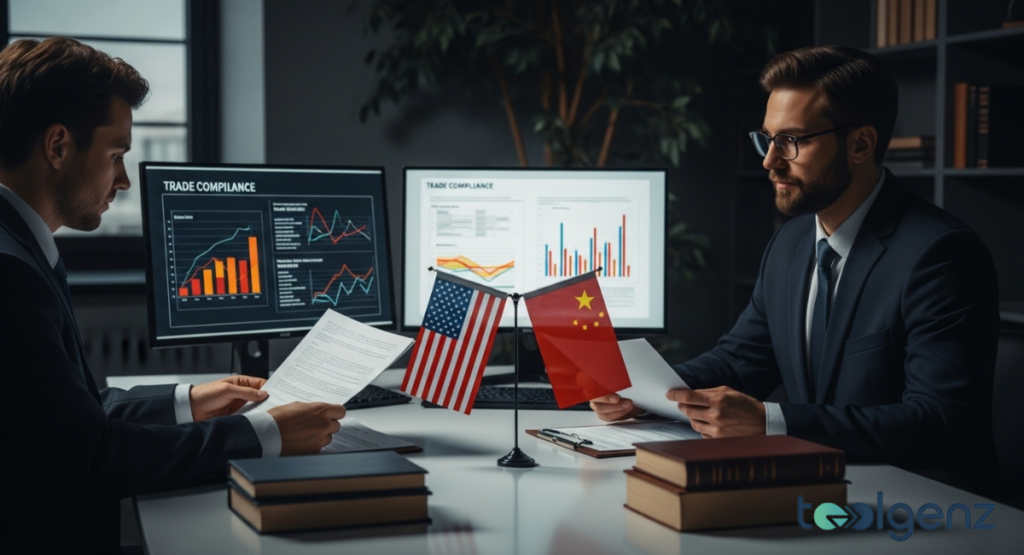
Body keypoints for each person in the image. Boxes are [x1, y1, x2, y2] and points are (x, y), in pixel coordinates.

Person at [591, 45, 1001, 491]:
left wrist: (770, 421)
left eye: (792, 141)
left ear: (861, 143)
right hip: (820, 490)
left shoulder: (940, 255)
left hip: (925, 505)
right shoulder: (791, 242)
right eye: (767, 139)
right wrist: (644, 396)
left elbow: (941, 423)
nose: (769, 161)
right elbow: (744, 359)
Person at [0, 38, 346, 552]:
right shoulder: (10, 274)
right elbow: (93, 457)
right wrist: (265, 434)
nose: (122, 179)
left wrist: (189, 400)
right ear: (57, 146)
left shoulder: (20, 247)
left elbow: (65, 420)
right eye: (116, 154)